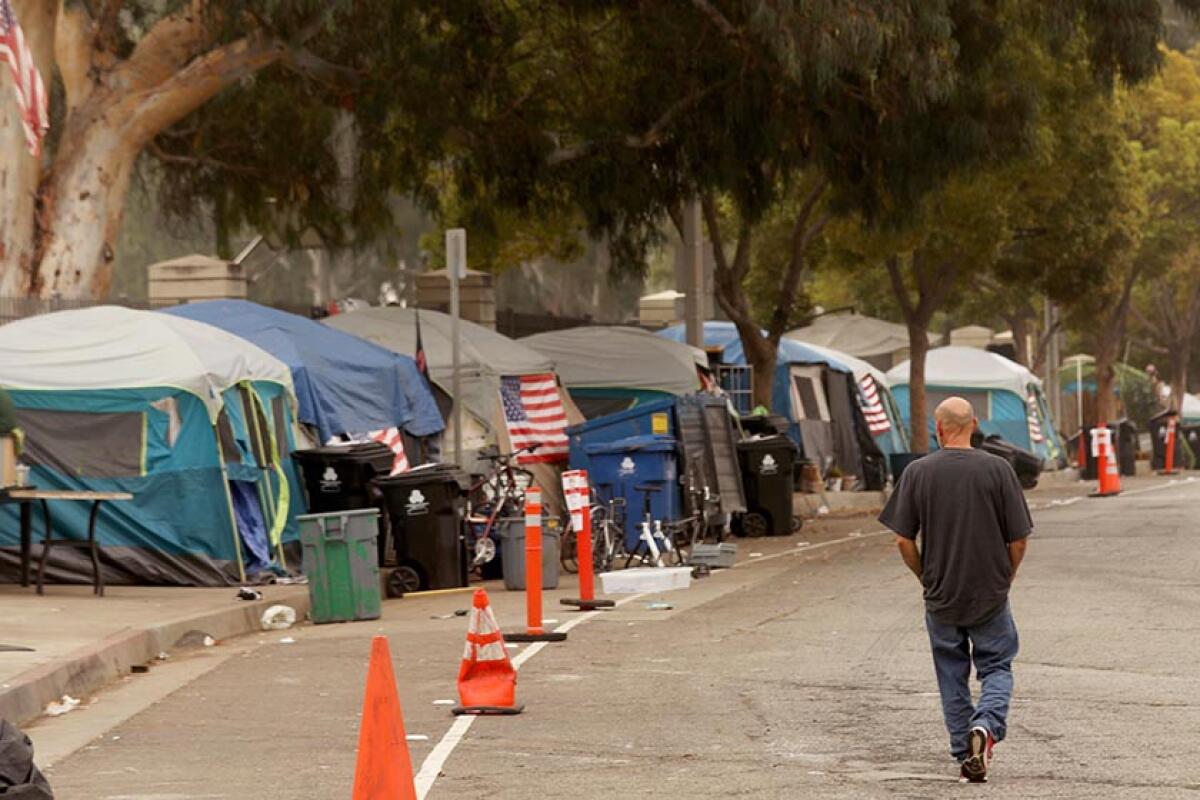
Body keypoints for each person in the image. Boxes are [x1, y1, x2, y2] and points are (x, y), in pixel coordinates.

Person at [878, 397, 1031, 783]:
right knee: (996, 666)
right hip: (990, 592)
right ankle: (986, 726)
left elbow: (902, 539)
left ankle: (966, 751)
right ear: (974, 424)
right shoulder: (998, 470)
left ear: (938, 428)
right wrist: (1006, 575)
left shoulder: (918, 472)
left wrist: (925, 576)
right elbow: (1018, 539)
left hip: (941, 592)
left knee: (951, 673)